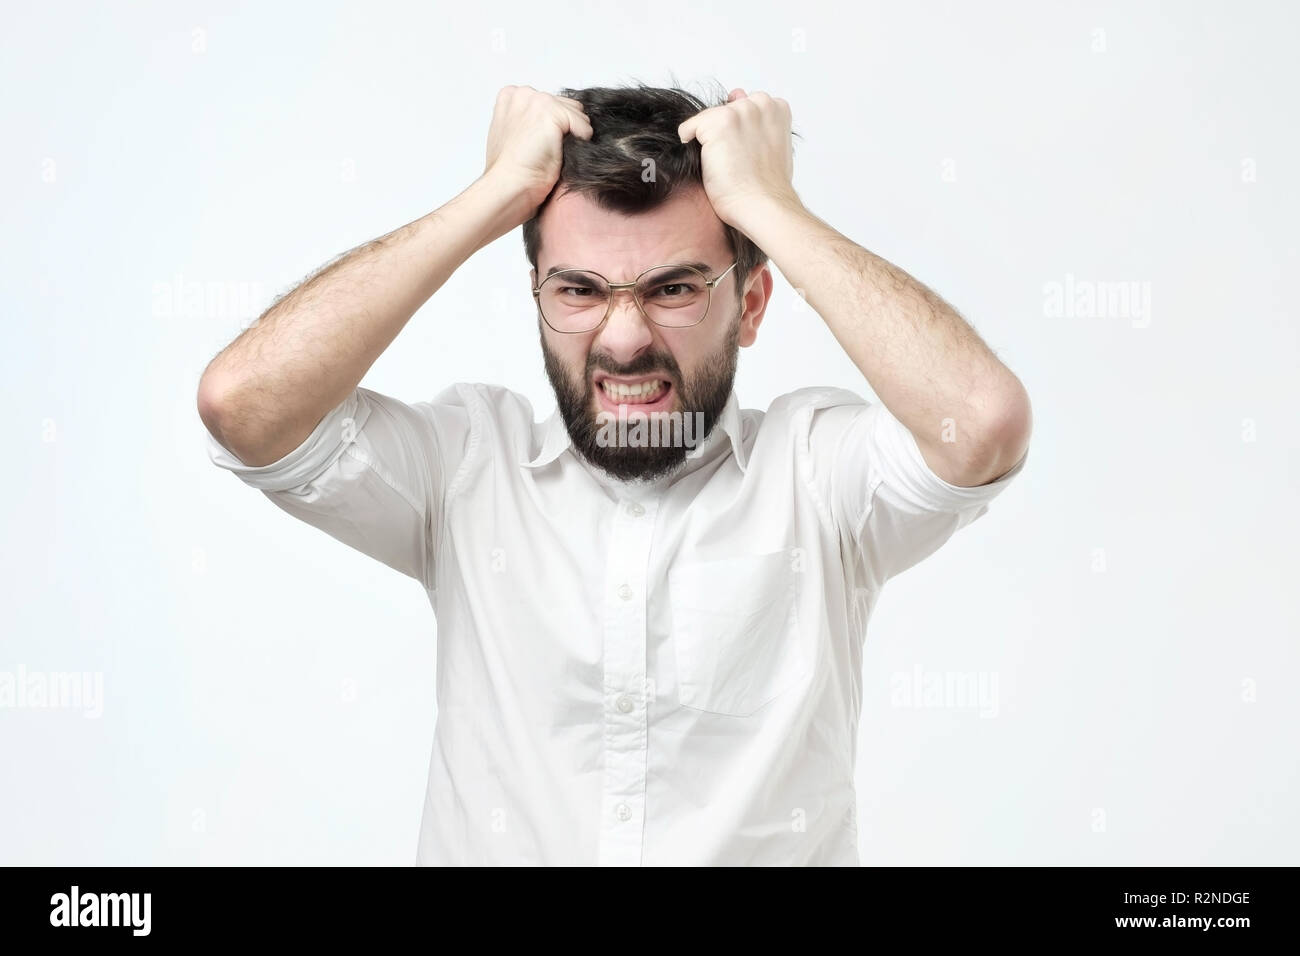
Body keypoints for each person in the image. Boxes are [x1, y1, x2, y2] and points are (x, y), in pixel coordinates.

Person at [197, 81, 1032, 866]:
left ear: (749, 306)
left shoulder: (817, 474)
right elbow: (246, 406)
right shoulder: (466, 470)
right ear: (537, 297)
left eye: (673, 288)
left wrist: (769, 208)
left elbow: (982, 424)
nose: (623, 338)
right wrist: (489, 197)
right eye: (580, 290)